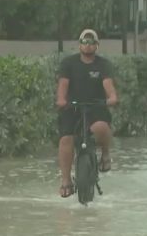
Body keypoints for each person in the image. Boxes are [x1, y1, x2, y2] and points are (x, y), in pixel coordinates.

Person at [55, 29, 118, 198]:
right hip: (72, 108)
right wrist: (61, 100)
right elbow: (63, 85)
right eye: (85, 42)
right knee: (66, 139)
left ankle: (105, 154)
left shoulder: (103, 64)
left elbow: (108, 85)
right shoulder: (69, 63)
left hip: (96, 108)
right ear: (79, 44)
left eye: (92, 42)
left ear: (97, 45)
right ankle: (66, 180)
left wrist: (111, 97)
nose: (88, 45)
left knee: (102, 128)